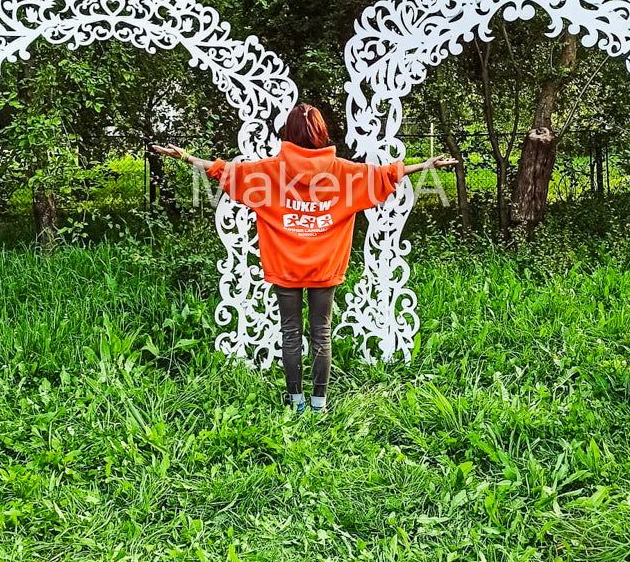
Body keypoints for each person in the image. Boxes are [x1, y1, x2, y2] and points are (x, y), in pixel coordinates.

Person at [154, 104, 456, 418]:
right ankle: (318, 405)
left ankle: (297, 402)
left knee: (290, 333)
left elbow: (227, 171)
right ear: (321, 133)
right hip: (325, 266)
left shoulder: (270, 171)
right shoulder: (342, 171)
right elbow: (386, 174)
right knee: (321, 333)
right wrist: (426, 165)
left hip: (285, 266)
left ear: (289, 132)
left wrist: (187, 157)